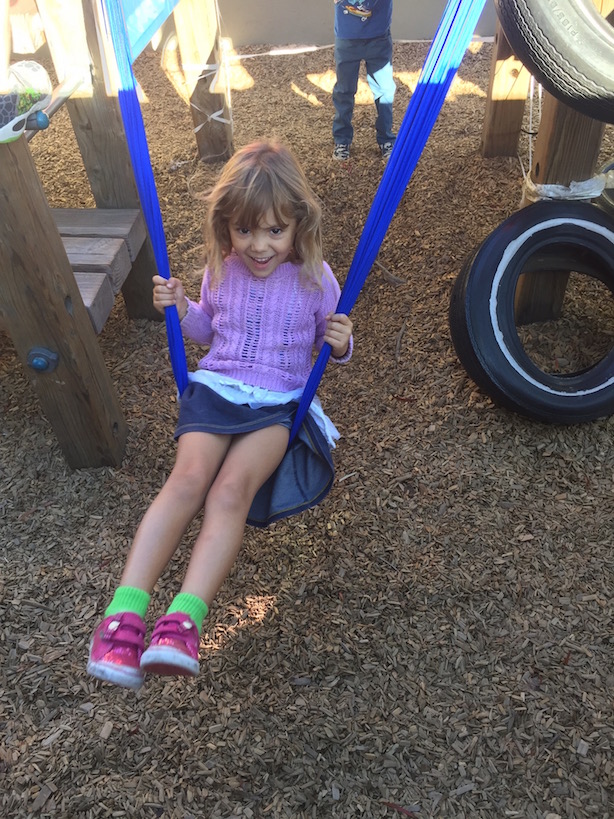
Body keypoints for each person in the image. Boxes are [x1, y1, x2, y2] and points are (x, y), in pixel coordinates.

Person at [87, 140, 354, 690]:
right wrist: (183, 308)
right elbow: (209, 332)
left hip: (279, 403)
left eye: (275, 230)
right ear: (226, 226)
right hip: (216, 388)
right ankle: (123, 616)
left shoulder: (316, 277)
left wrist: (343, 342)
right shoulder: (223, 269)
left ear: (297, 225)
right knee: (187, 480)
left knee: (230, 492)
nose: (259, 245)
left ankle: (182, 622)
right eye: (245, 230)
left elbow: (331, 341)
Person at [332, 0, 396, 161]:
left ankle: (387, 139)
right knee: (344, 90)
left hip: (378, 36)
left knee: (384, 91)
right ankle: (342, 140)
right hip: (347, 36)